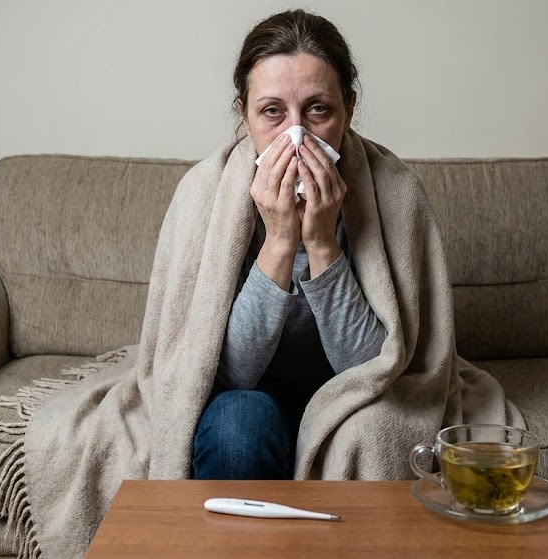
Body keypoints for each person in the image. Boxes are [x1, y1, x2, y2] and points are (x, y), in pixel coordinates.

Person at [191, 9, 388, 480]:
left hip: (354, 395)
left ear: (349, 110)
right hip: (253, 395)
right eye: (272, 112)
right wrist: (280, 240)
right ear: (244, 115)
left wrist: (321, 243)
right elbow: (231, 374)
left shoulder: (392, 195)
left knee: (379, 426)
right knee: (238, 427)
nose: (296, 136)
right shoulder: (206, 196)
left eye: (318, 109)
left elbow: (375, 371)